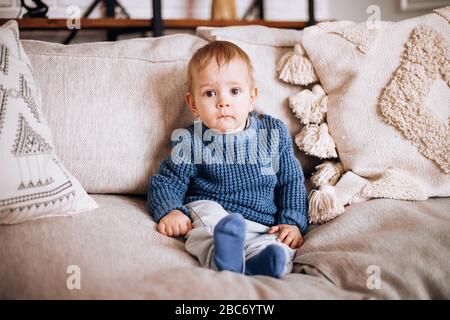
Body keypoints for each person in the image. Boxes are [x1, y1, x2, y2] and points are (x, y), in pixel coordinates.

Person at [147, 41, 308, 278]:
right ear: (193, 104)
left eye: (234, 91)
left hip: (262, 224)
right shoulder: (191, 141)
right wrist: (171, 211)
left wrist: (292, 222)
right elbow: (166, 182)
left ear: (252, 97)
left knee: (280, 248)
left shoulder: (272, 133)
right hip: (215, 218)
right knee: (204, 222)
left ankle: (260, 266)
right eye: (210, 93)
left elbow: (291, 182)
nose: (223, 102)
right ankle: (221, 255)